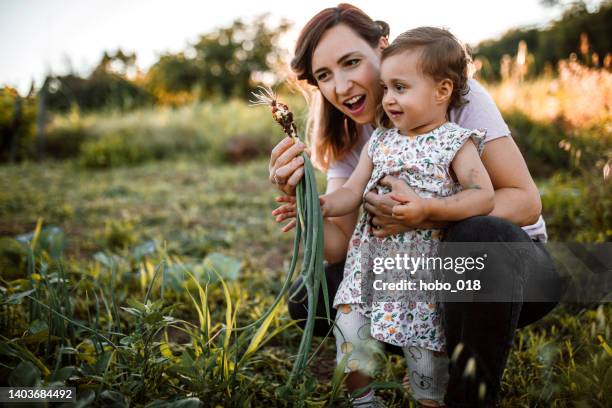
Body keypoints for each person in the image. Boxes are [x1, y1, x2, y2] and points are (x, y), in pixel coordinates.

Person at [268, 4, 562, 407]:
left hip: (510, 268)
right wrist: (303, 201)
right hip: (414, 273)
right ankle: (414, 349)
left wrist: (425, 214)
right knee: (312, 296)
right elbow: (336, 248)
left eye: (351, 62)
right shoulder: (353, 133)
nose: (341, 86)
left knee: (477, 235)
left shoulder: (452, 94)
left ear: (382, 48)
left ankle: (468, 395)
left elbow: (525, 201)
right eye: (324, 75)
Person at [316, 25, 497, 407]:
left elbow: (483, 197)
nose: (388, 100)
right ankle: (362, 399)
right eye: (385, 89)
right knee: (350, 328)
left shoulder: (455, 141)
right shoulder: (380, 139)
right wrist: (321, 206)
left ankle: (428, 399)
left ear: (442, 91)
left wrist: (428, 209)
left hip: (422, 272)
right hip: (369, 264)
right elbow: (351, 192)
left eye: (400, 88)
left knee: (425, 356)